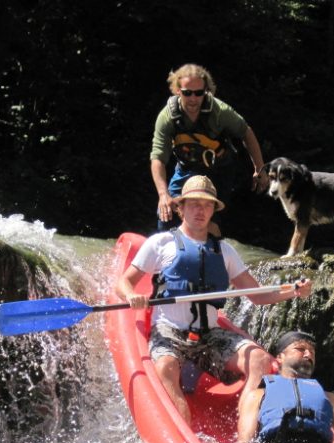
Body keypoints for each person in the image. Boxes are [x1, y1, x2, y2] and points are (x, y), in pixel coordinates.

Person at [116, 175, 311, 427]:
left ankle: (246, 427)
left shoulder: (225, 251)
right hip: (169, 331)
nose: (201, 210)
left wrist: (294, 291)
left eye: (207, 205)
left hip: (209, 334)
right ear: (181, 207)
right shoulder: (161, 243)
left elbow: (258, 295)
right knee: (165, 366)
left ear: (213, 210)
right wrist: (132, 296)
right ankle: (182, 434)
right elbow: (124, 283)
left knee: (260, 360)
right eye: (194, 203)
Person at [150, 63, 269, 235]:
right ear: (178, 91)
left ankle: (212, 254)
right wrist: (163, 195)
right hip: (186, 168)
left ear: (206, 91)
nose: (193, 98)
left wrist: (259, 169)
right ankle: (166, 254)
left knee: (208, 219)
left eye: (199, 93)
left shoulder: (219, 111)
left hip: (219, 170)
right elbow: (158, 158)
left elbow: (246, 132)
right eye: (187, 93)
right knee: (166, 213)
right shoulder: (167, 117)